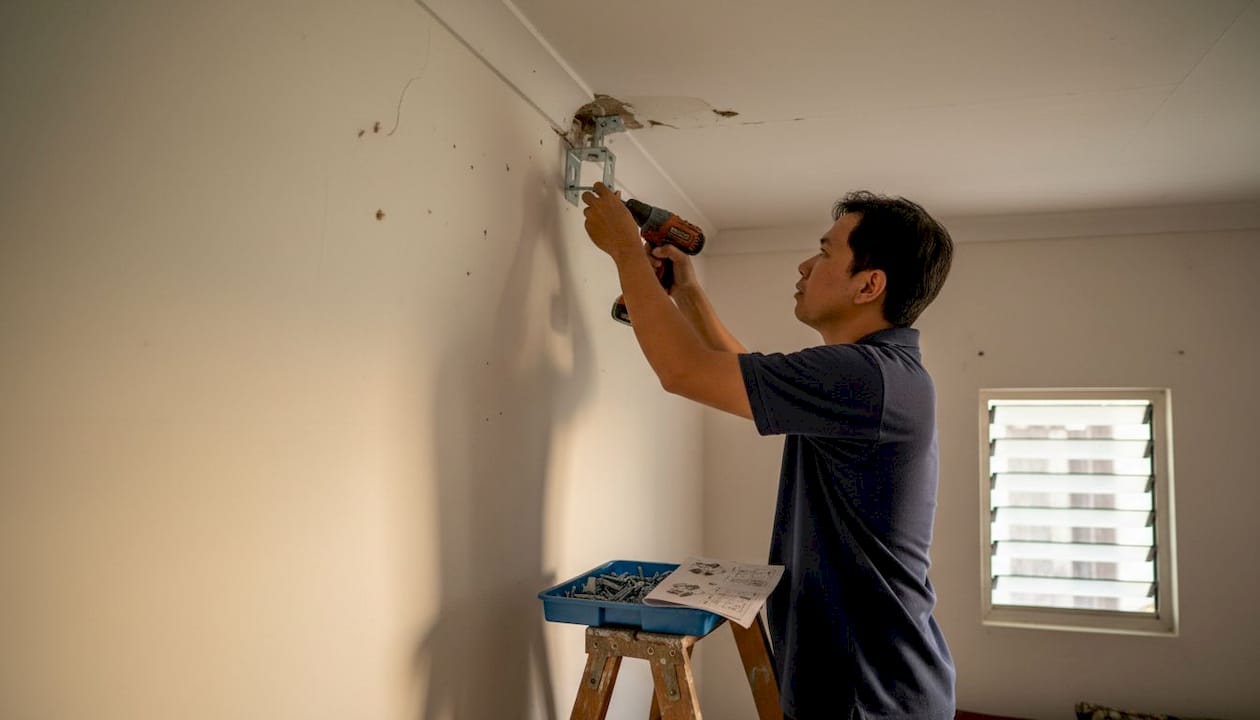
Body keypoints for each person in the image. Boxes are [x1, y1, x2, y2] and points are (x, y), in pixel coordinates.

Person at [581, 182, 955, 719]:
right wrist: (686, 293)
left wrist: (623, 250)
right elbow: (738, 373)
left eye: (825, 252)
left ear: (869, 284)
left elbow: (683, 372)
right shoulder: (876, 374)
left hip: (868, 696)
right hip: (868, 682)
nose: (805, 266)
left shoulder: (865, 377)